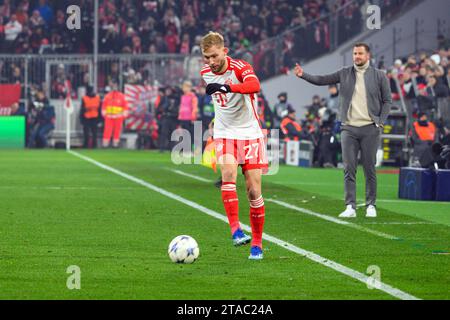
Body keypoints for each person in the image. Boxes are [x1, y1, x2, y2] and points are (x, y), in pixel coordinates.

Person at [294, 43, 393, 218]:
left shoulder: (379, 76)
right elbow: (322, 80)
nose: (357, 56)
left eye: (360, 53)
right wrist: (303, 75)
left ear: (368, 55)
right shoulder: (345, 73)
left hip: (370, 128)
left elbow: (387, 101)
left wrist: (380, 122)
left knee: (369, 168)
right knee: (349, 168)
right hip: (349, 128)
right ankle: (350, 206)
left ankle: (371, 205)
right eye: (355, 53)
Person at [200, 31, 267, 260]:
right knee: (228, 173)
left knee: (254, 191)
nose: (211, 62)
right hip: (225, 133)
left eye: (214, 56)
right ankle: (236, 230)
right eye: (206, 57)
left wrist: (229, 88)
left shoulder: (239, 67)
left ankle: (257, 244)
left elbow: (255, 85)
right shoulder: (205, 73)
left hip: (250, 133)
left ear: (224, 51)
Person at [101, 80, 129, 148]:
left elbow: (125, 107)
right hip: (109, 117)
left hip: (118, 117)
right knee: (107, 131)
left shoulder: (122, 96)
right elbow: (104, 106)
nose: (114, 87)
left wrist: (123, 116)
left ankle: (115, 144)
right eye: (113, 86)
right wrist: (105, 115)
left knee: (117, 131)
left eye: (116, 86)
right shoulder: (107, 96)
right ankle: (105, 144)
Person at [178, 80, 198, 151]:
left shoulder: (193, 96)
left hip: (189, 118)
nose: (184, 89)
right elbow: (181, 107)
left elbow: (194, 107)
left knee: (190, 135)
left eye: (186, 87)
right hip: (183, 118)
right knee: (183, 134)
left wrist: (193, 118)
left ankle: (190, 150)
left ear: (190, 88)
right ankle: (184, 149)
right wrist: (180, 117)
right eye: (184, 87)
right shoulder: (183, 96)